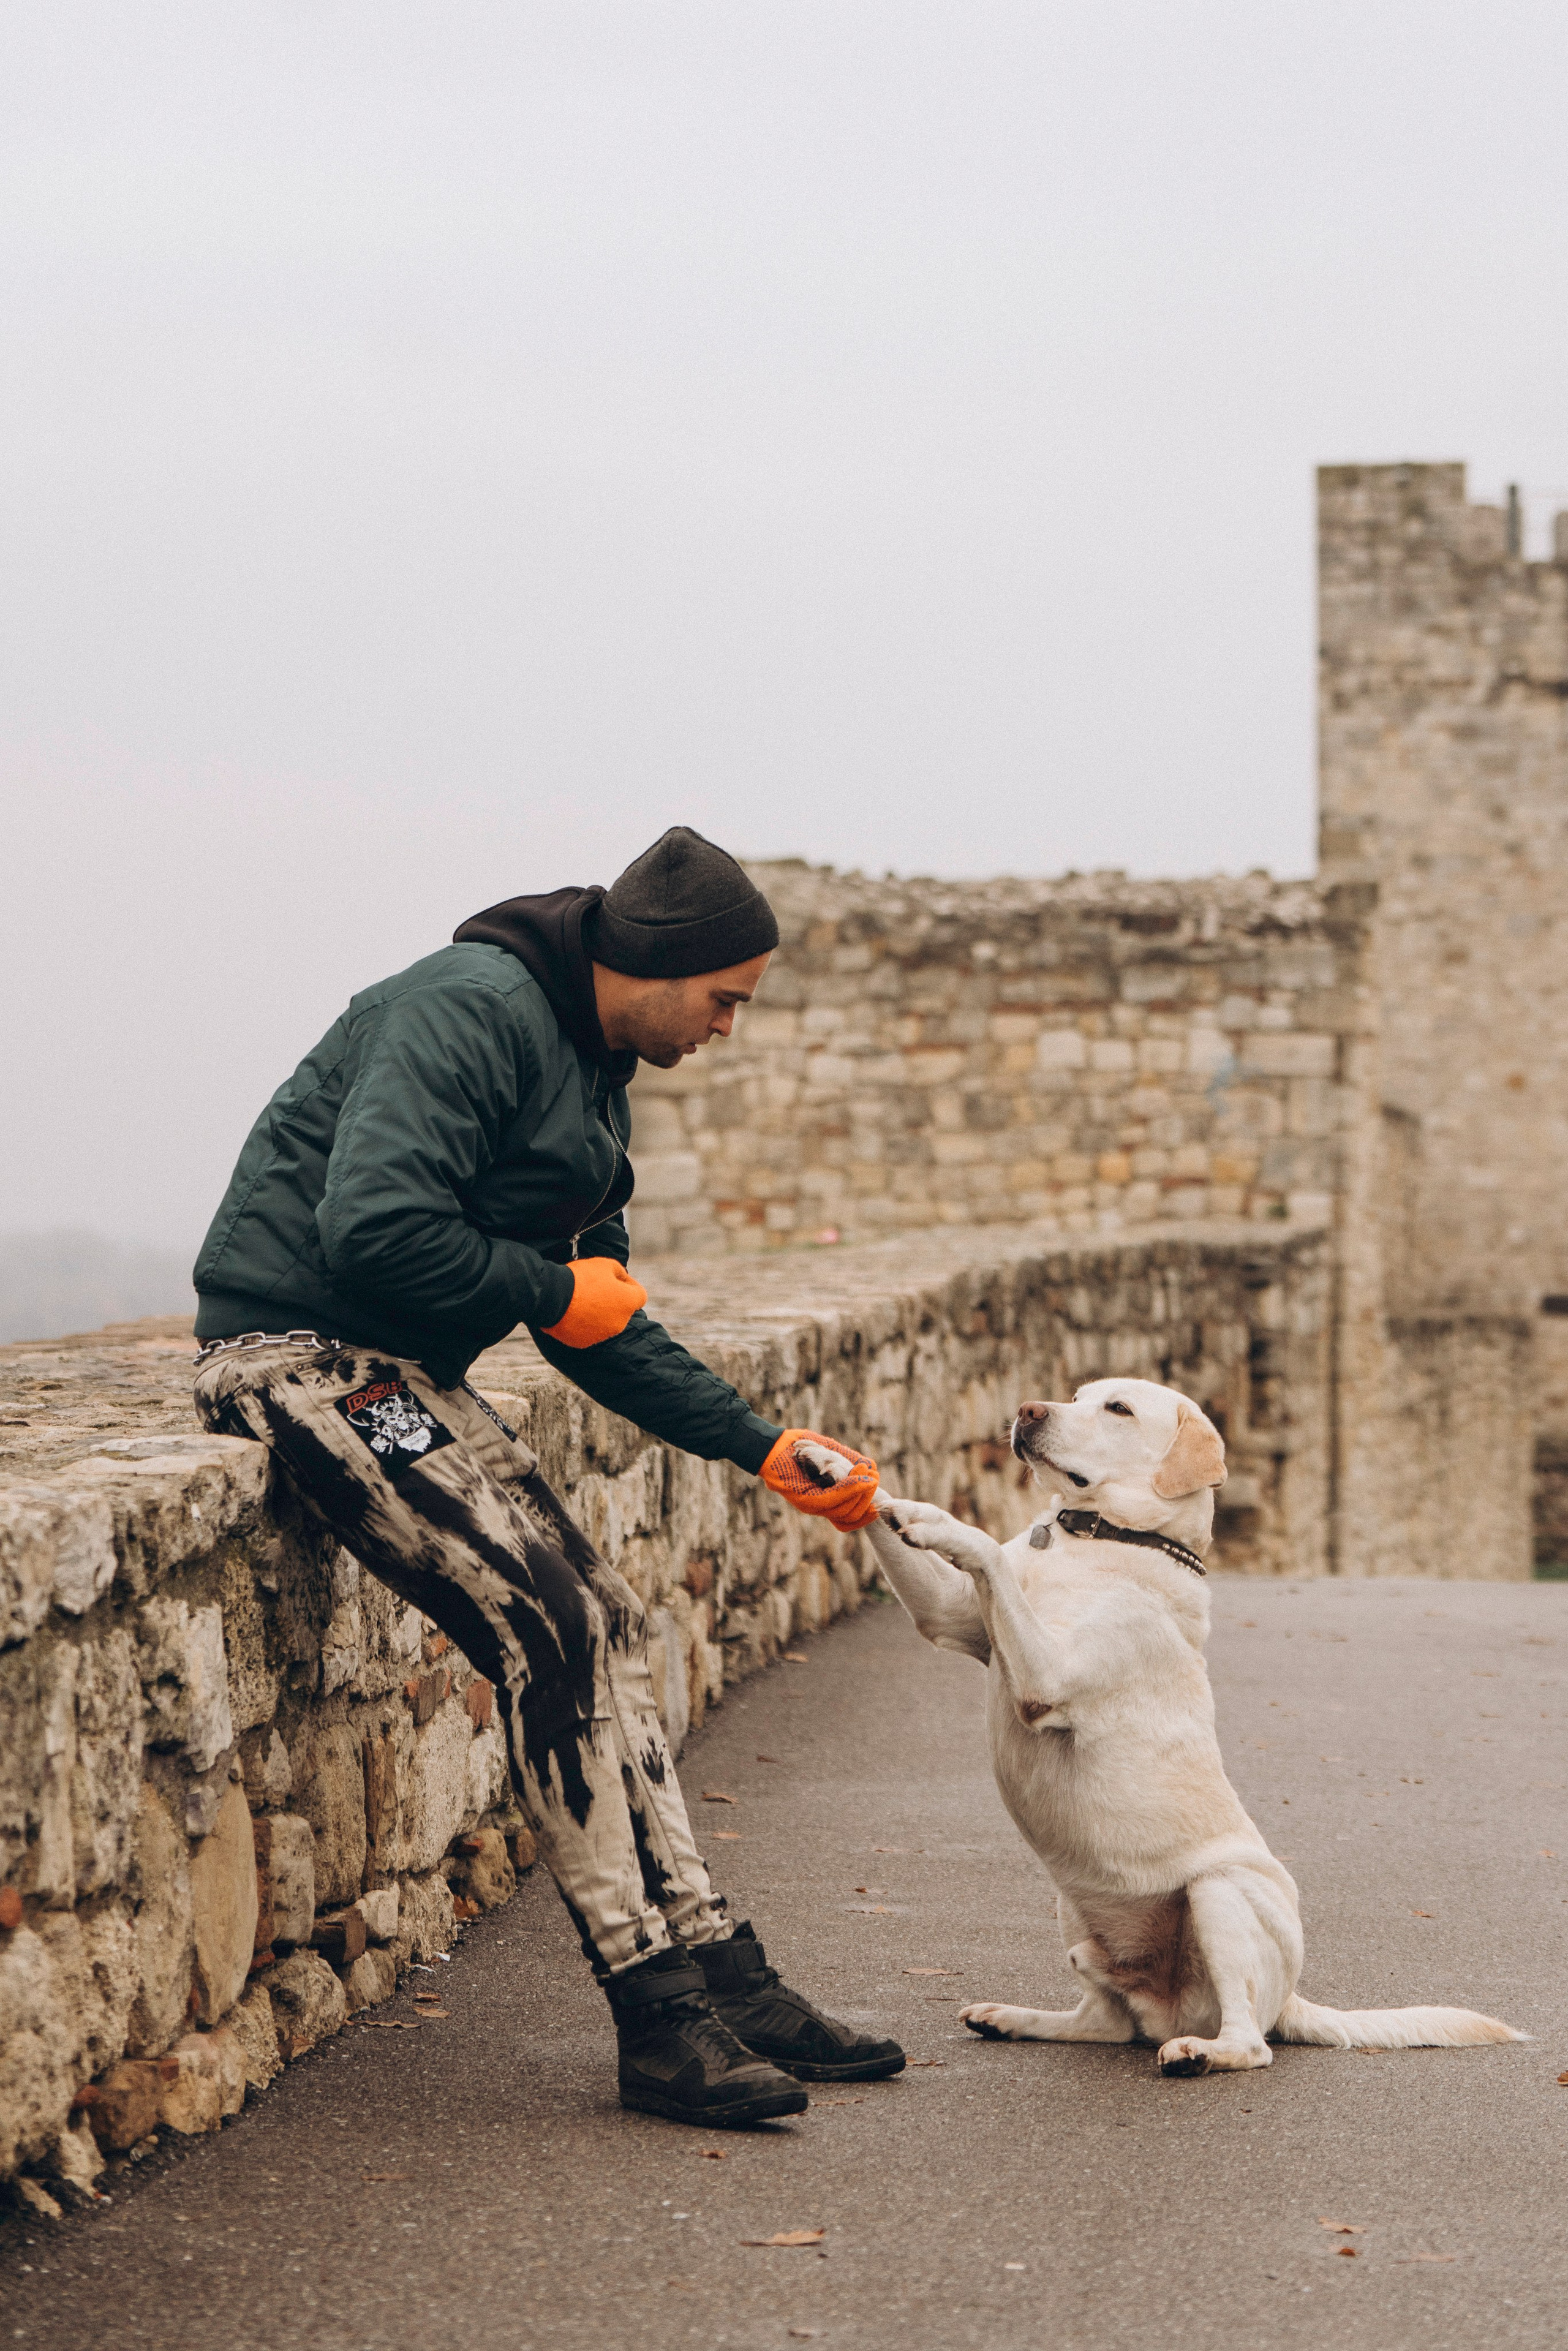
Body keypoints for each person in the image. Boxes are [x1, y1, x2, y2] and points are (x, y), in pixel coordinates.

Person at [190, 825, 902, 2127]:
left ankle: (718, 1968)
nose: (728, 1028)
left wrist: (758, 1444)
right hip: (304, 1362)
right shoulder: (470, 1009)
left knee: (612, 1619)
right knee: (552, 1623)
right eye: (725, 999)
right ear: (656, 962)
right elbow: (377, 1226)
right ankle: (654, 2014)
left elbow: (601, 1319)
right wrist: (547, 1285)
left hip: (398, 1371)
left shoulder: (592, 1074)